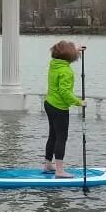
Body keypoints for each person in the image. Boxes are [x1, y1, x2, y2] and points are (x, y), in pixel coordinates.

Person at [44, 40, 86, 178]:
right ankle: (60, 171)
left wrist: (76, 50)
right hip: (59, 107)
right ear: (69, 57)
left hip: (49, 103)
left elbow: (63, 55)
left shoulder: (54, 64)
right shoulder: (66, 71)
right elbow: (65, 92)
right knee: (61, 137)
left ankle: (48, 164)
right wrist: (79, 102)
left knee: (53, 135)